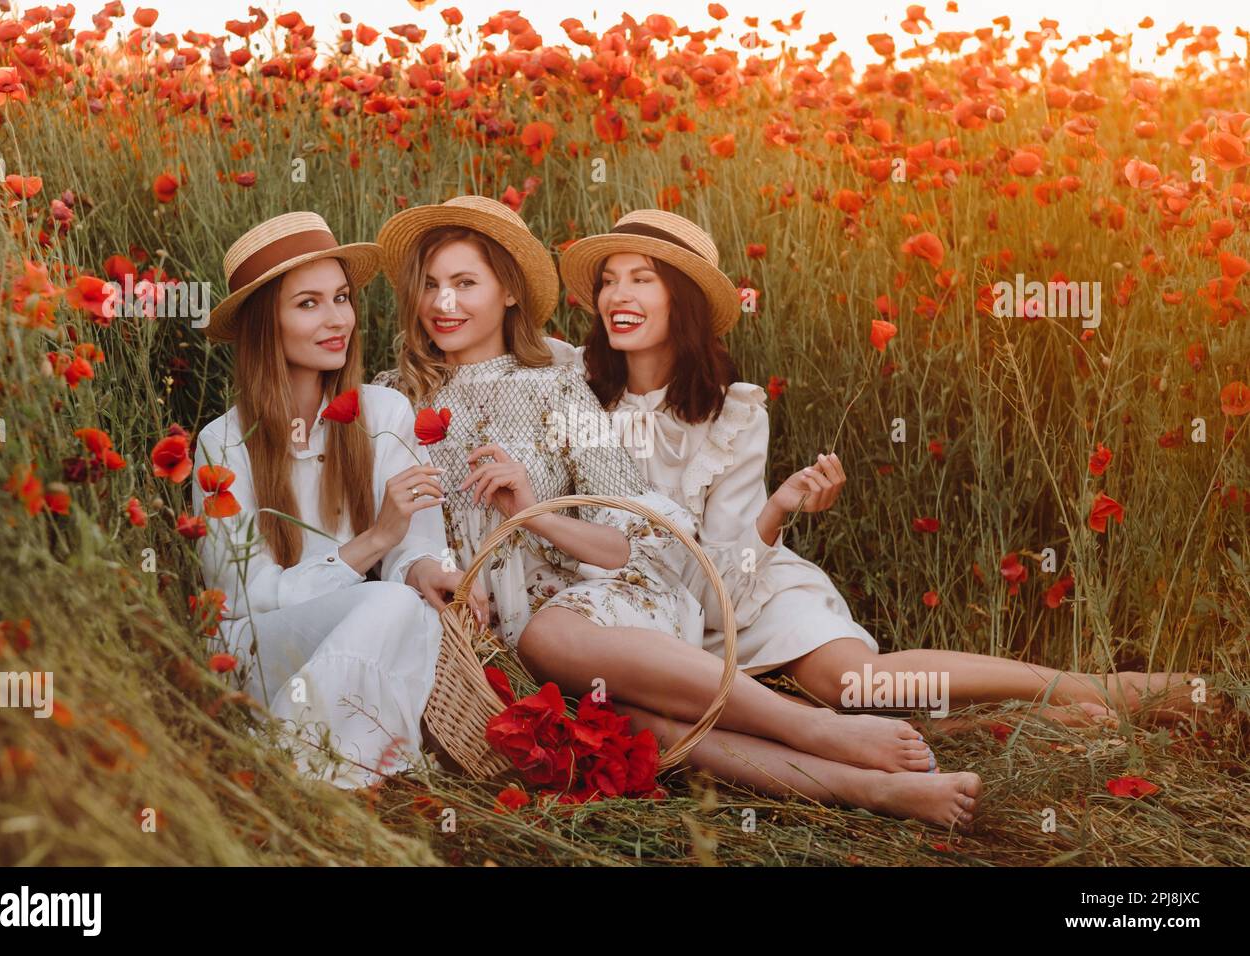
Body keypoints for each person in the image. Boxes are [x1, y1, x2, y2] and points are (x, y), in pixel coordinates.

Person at [369, 196, 974, 818]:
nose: (444, 304)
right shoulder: (388, 401)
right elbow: (393, 538)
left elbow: (636, 535)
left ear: (511, 292)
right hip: (497, 634)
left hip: (602, 600)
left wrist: (537, 514)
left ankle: (815, 727)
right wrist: (423, 570)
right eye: (431, 286)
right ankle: (870, 788)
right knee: (636, 726)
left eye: (465, 283)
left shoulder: (558, 382)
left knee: (552, 636)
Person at [552, 208, 1198, 725]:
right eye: (609, 279)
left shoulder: (735, 414)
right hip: (637, 615)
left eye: (642, 277)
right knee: (812, 710)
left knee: (855, 685)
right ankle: (1019, 721)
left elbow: (730, 571)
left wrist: (777, 510)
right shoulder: (568, 386)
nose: (617, 294)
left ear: (683, 299)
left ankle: (1101, 689)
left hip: (738, 594)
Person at [192, 211, 474, 789]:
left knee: (406, 608)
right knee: (387, 609)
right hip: (262, 653)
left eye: (341, 297)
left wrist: (428, 568)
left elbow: (414, 553)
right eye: (308, 303)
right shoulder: (221, 443)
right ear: (263, 324)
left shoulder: (384, 414)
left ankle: (292, 765)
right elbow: (243, 599)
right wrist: (369, 544)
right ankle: (308, 763)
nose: (337, 319)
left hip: (366, 630)